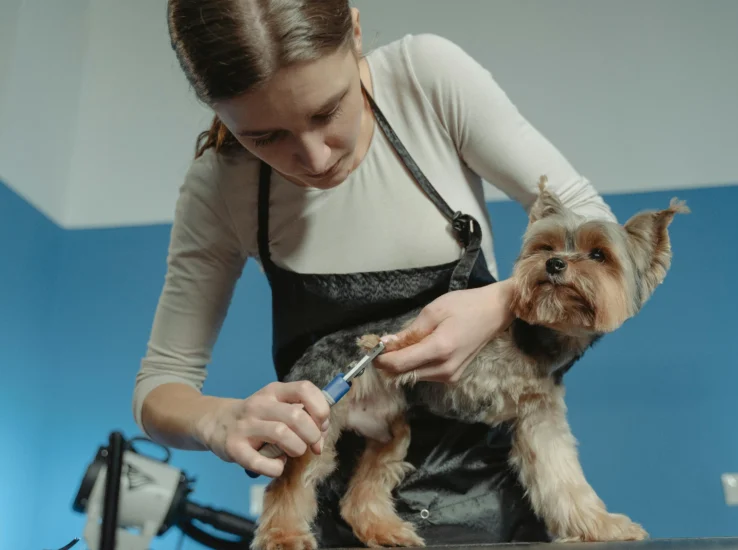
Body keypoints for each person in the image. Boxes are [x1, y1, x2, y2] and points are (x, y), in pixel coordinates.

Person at [135, 0, 617, 546]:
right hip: (337, 524)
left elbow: (592, 219)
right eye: (264, 137)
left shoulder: (425, 80)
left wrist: (501, 301)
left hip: (499, 510)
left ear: (356, 33)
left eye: (327, 111)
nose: (314, 158)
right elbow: (160, 386)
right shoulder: (221, 186)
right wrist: (219, 422)